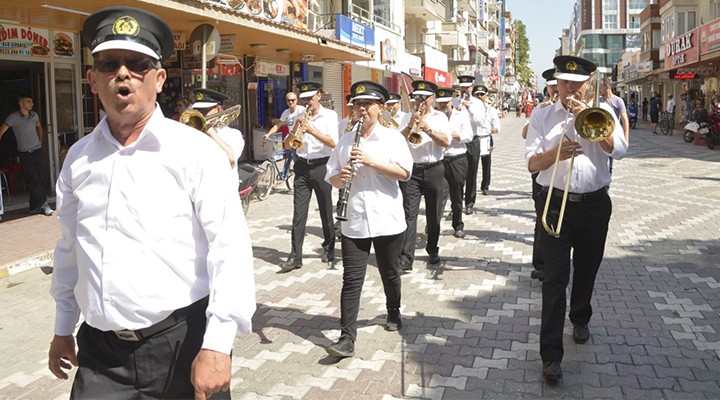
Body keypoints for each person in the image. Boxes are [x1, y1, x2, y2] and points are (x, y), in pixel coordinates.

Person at [47, 7, 256, 399]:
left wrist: (218, 343)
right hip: (100, 356)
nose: (122, 74)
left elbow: (229, 250)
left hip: (180, 346)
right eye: (109, 63)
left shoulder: (196, 152)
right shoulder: (78, 158)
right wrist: (63, 327)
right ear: (92, 80)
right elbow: (70, 247)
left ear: (159, 79)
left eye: (138, 64)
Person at [525, 55, 627, 382]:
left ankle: (580, 316)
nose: (569, 90)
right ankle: (551, 357)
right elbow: (531, 164)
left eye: (576, 84)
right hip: (556, 202)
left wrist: (588, 117)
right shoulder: (542, 115)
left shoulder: (603, 112)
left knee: (586, 269)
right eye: (564, 83)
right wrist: (556, 152)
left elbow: (619, 150)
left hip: (595, 204)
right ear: (556, 83)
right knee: (555, 280)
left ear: (588, 85)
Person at [324, 80, 413, 358]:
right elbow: (333, 177)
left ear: (380, 108)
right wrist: (341, 177)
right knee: (351, 280)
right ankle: (346, 338)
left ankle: (393, 310)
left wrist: (372, 161)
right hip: (354, 219)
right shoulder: (345, 140)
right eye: (357, 104)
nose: (361, 109)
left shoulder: (393, 138)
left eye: (367, 105)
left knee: (390, 272)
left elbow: (404, 173)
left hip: (386, 217)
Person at [279, 81, 338, 272]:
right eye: (304, 99)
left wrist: (312, 130)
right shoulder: (297, 115)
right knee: (299, 212)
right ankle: (295, 256)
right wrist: (295, 129)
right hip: (302, 166)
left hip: (322, 165)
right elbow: (288, 145)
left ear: (319, 96)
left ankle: (329, 248)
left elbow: (333, 143)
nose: (307, 103)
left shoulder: (329, 115)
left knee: (325, 209)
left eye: (310, 99)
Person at [397, 80, 451, 271]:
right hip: (412, 170)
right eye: (416, 97)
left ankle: (433, 249)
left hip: (434, 168)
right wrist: (409, 125)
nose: (419, 101)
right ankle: (406, 256)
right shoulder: (406, 117)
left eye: (423, 97)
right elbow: (396, 140)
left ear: (432, 98)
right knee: (408, 214)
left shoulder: (440, 117)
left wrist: (428, 129)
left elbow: (446, 142)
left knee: (434, 213)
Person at [0, 94, 53, 216]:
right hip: (25, 154)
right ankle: (44, 205)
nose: (31, 104)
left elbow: (39, 127)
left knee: (38, 179)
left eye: (32, 102)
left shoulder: (34, 115)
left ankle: (33, 207)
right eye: (28, 101)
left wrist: (40, 139)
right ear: (20, 102)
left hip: (37, 151)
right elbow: (1, 131)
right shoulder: (13, 117)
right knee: (34, 180)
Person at [437, 87, 472, 239]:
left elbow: (469, 136)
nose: (443, 105)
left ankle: (457, 224)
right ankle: (434, 223)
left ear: (451, 101)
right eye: (440, 103)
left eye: (445, 102)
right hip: (439, 159)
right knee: (438, 195)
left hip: (457, 159)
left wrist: (455, 136)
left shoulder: (461, 116)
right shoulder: (434, 116)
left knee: (457, 195)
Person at [190, 88, 245, 175]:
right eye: (198, 111)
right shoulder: (195, 133)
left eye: (204, 111)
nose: (200, 115)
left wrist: (210, 132)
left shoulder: (233, 134)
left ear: (218, 109)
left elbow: (231, 159)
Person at [456, 75, 486, 215]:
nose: (464, 90)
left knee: (471, 173)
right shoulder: (455, 101)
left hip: (473, 141)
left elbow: (480, 122)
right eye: (462, 87)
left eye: (467, 87)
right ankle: (456, 203)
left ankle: (469, 203)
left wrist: (469, 108)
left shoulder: (478, 103)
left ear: (472, 88)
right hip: (458, 141)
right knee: (457, 175)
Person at [474, 85, 498, 196]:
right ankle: (470, 188)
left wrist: (492, 129)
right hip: (473, 139)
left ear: (486, 95)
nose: (479, 97)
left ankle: (485, 186)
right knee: (471, 166)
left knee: (486, 164)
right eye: (477, 95)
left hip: (485, 138)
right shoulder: (468, 108)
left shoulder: (491, 109)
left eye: (482, 94)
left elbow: (496, 126)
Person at [600, 77, 630, 147]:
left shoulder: (618, 101)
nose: (599, 89)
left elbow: (625, 120)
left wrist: (626, 139)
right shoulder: (598, 100)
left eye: (600, 87)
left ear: (607, 87)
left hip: (613, 133)